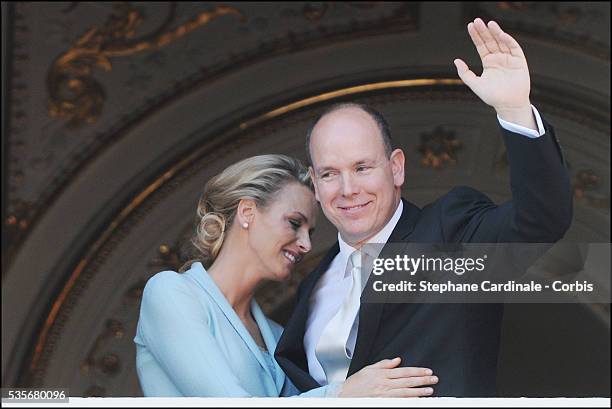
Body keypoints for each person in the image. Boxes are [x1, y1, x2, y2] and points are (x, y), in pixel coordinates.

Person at [275, 18, 573, 397]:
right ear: (315, 186)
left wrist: (514, 108)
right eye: (330, 174)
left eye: (362, 167)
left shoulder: (451, 232)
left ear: (396, 167)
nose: (348, 189)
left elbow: (541, 220)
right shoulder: (311, 286)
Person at [133, 154, 439, 397]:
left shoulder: (281, 336)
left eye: (310, 231)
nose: (306, 244)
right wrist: (345, 393)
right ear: (247, 213)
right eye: (294, 223)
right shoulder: (172, 293)